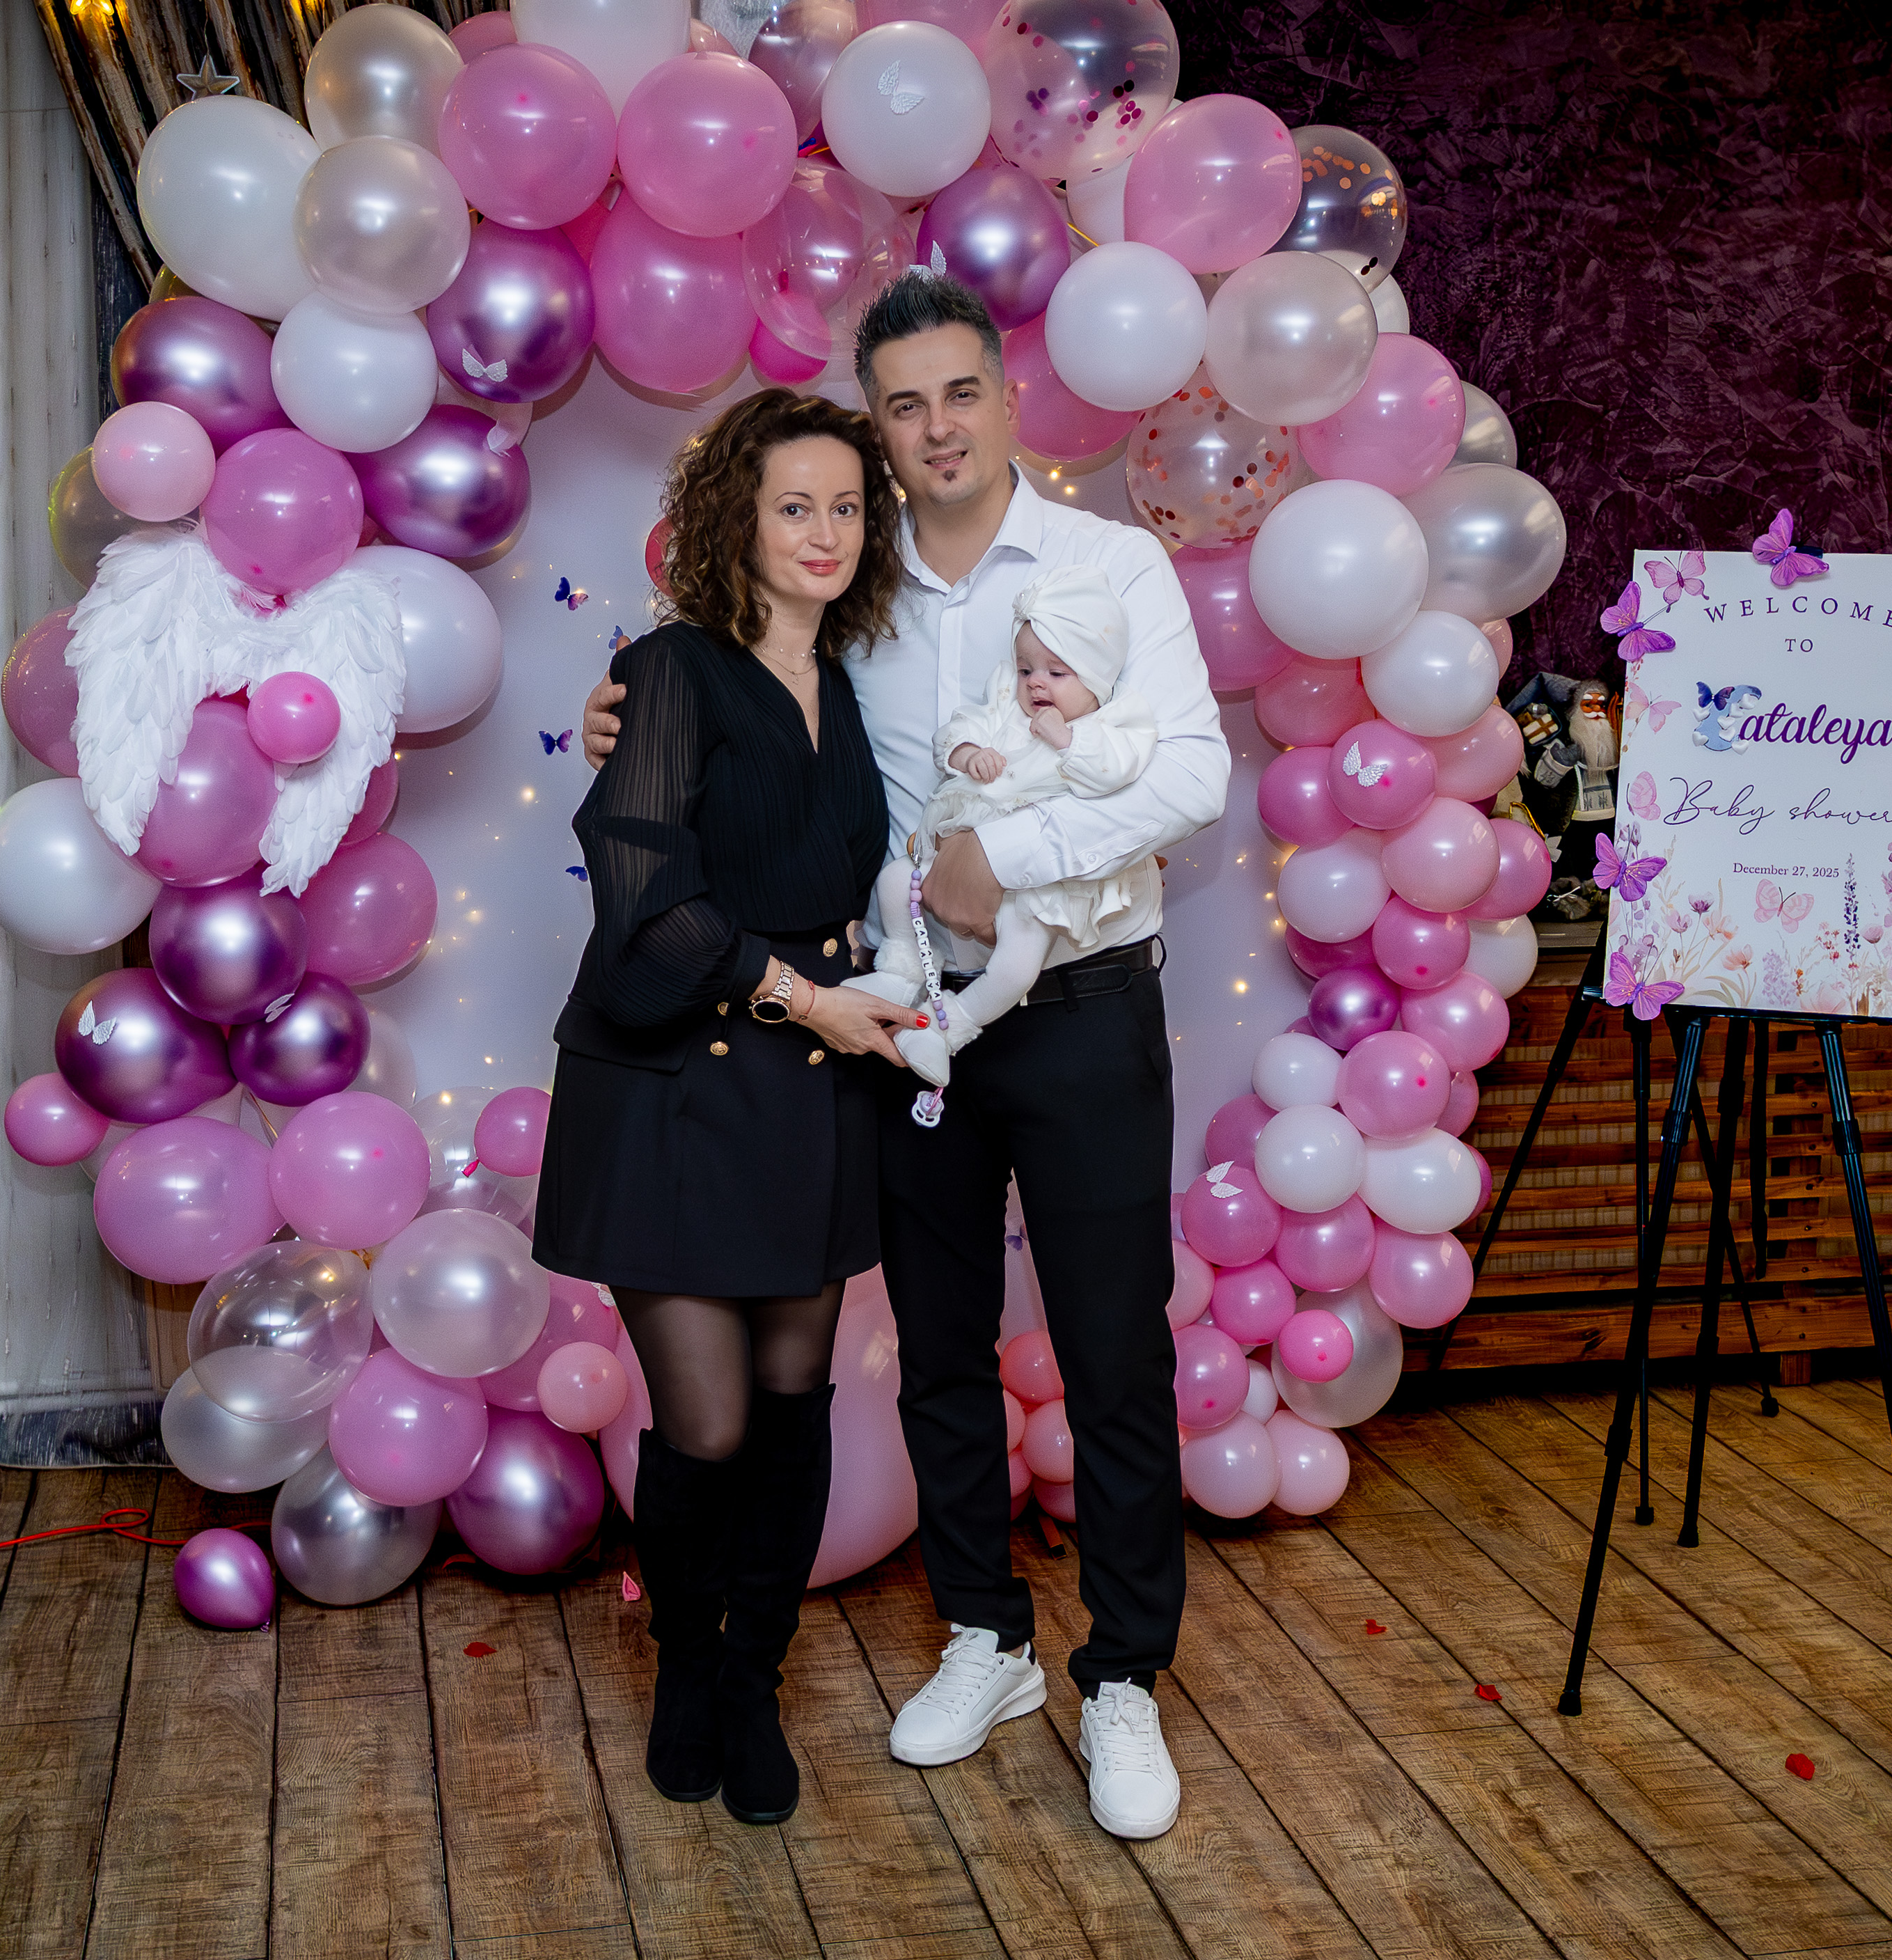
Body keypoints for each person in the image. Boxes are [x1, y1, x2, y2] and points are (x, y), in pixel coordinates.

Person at [586, 273, 1226, 1842]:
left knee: (1112, 1352)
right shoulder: (853, 597)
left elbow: (1194, 775)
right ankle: (986, 1637)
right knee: (937, 1348)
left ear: (1007, 397)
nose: (936, 428)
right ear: (878, 430)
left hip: (1082, 1006)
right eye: (903, 406)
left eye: (959, 393)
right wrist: (630, 715)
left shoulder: (1109, 565)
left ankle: (1122, 1674)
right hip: (906, 1025)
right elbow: (745, 703)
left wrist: (1012, 861)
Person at [531, 388, 915, 1828]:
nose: (824, 532)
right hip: (675, 1084)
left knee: (795, 1406)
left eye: (846, 507)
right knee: (703, 1425)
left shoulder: (869, 689)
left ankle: (753, 1677)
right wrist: (809, 999)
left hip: (811, 1090)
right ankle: (683, 1667)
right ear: (734, 523)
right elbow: (647, 897)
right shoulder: (670, 671)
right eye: (793, 505)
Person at [852, 565, 1159, 1095]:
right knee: (895, 881)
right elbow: (955, 731)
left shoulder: (1108, 726)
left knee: (1018, 966)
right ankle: (901, 971)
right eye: (1025, 669)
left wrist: (1069, 742)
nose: (1035, 682)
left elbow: (1119, 771)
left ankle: (949, 1029)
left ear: (1095, 677)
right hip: (955, 851)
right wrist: (968, 753)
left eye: (1057, 672)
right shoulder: (1005, 709)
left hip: (1038, 886)